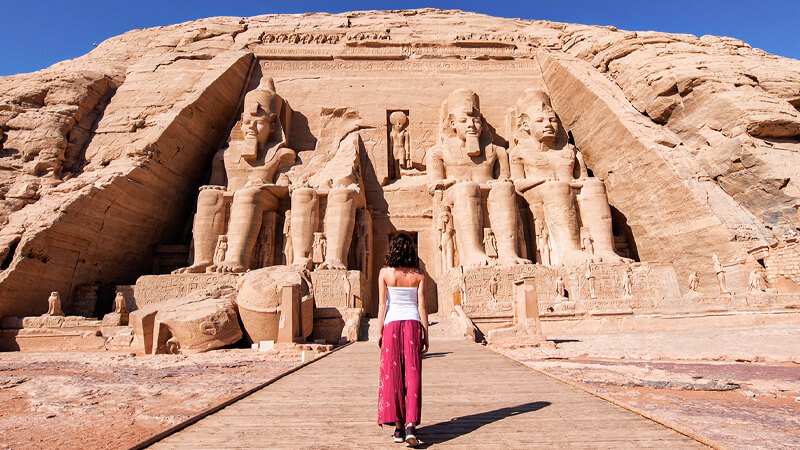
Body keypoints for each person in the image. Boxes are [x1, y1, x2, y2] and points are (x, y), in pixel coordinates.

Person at [377, 233, 429, 447]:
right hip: (413, 323)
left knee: (392, 374)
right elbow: (422, 306)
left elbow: (382, 305)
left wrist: (380, 330)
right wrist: (426, 333)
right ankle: (410, 425)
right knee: (413, 373)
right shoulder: (419, 275)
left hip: (392, 324)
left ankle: (398, 428)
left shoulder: (385, 273)